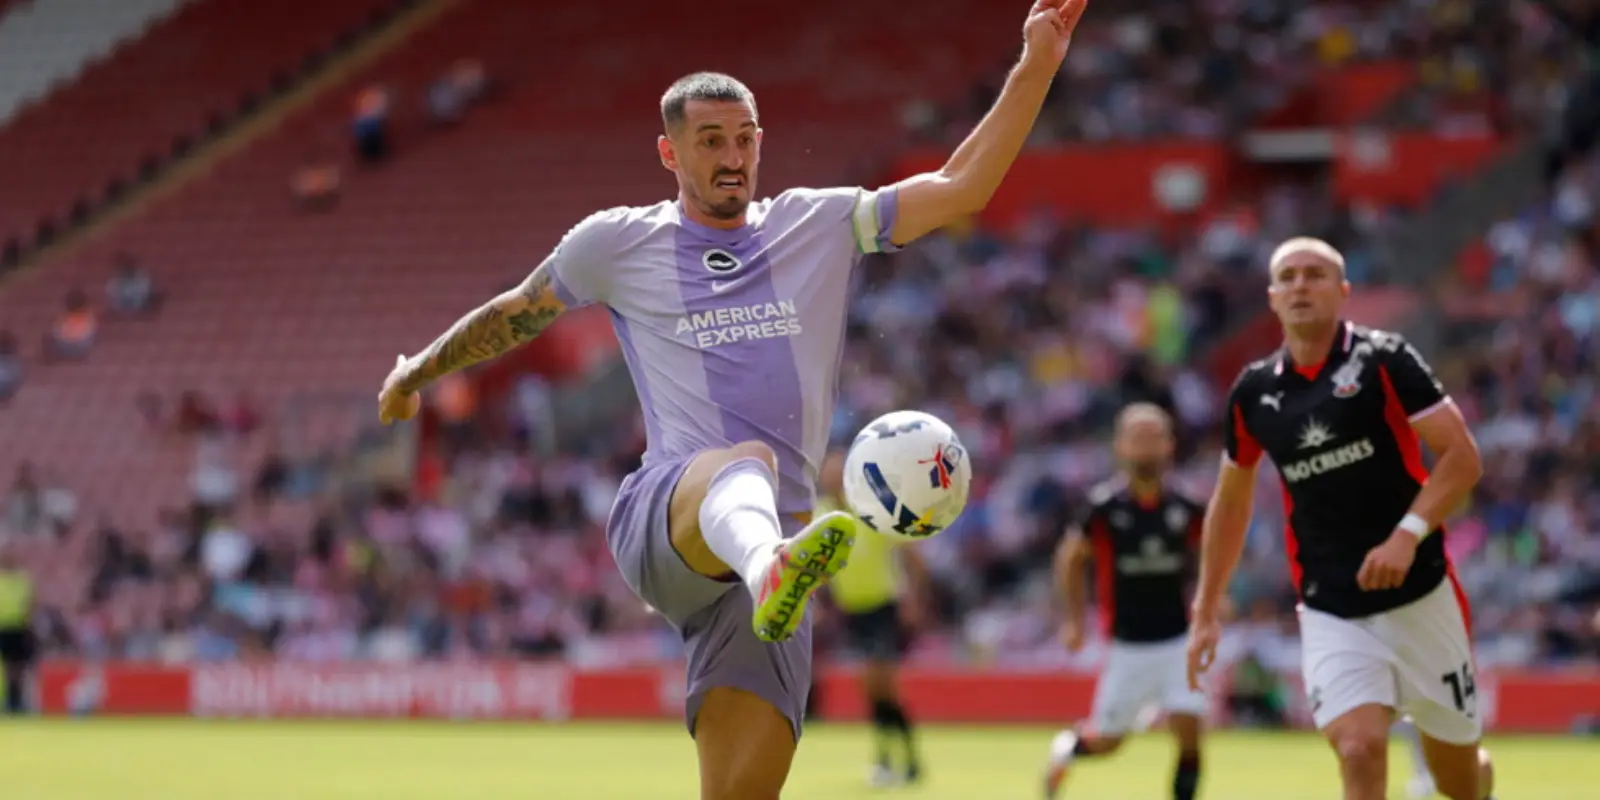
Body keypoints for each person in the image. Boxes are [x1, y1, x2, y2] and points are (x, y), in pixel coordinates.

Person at [375, 4, 1089, 796]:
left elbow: (961, 188)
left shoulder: (817, 223)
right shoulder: (616, 242)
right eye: (711, 140)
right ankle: (768, 564)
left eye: (744, 139)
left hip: (771, 561)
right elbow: (516, 312)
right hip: (669, 520)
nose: (732, 157)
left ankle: (769, 567)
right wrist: (415, 376)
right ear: (669, 151)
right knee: (742, 462)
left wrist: (1038, 63)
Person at [1185, 237, 1496, 800]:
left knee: (1460, 784)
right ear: (1273, 298)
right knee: (1358, 749)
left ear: (1343, 291)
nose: (1301, 286)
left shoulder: (1385, 359)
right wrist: (1206, 608)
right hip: (1331, 606)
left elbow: (1462, 459)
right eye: (1288, 277)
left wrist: (1406, 536)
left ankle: (1477, 775)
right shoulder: (1253, 393)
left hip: (1421, 595)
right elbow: (1230, 503)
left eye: (1315, 274)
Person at [1043, 403, 1207, 800]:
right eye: (1137, 438)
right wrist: (1075, 620)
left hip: (1179, 639)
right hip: (1127, 644)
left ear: (1169, 444)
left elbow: (1212, 550)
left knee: (1189, 729)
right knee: (1108, 742)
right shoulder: (1103, 508)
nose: (1145, 447)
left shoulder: (1186, 506)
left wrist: (1213, 597)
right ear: (1120, 446)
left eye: (1153, 438)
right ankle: (1066, 750)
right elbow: (1070, 558)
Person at [817, 450, 930, 787]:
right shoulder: (822, 512)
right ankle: (893, 760)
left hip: (882, 606)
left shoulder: (871, 510)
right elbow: (818, 563)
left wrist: (914, 599)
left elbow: (911, 554)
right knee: (872, 689)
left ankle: (901, 760)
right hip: (852, 610)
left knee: (881, 685)